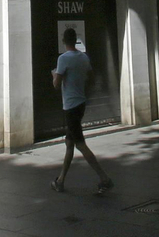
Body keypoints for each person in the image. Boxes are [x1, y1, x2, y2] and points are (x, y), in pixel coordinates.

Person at [50, 28, 114, 194]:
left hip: (70, 106)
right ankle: (61, 181)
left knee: (80, 144)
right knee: (69, 143)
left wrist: (54, 75)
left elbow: (56, 84)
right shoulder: (83, 57)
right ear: (75, 40)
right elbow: (91, 79)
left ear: (64, 40)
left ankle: (104, 178)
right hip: (81, 103)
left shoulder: (63, 59)